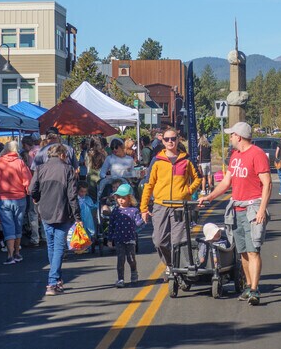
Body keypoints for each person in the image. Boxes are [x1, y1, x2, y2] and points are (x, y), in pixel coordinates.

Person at [199, 122, 271, 306]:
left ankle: (255, 290)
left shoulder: (257, 154)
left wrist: (262, 209)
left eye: (231, 135)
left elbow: (267, 183)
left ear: (239, 136)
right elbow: (226, 182)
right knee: (243, 252)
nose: (230, 137)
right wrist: (210, 197)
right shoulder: (235, 156)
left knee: (253, 250)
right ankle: (248, 286)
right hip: (236, 209)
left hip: (252, 208)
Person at [139, 127, 201, 277]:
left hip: (180, 206)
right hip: (161, 205)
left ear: (178, 139)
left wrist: (187, 191)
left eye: (173, 138)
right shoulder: (157, 160)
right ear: (162, 140)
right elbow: (149, 185)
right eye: (167, 139)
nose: (170, 142)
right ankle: (170, 264)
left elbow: (198, 178)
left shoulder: (186, 159)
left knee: (178, 241)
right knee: (159, 241)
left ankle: (178, 271)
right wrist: (143, 208)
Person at [29, 144, 81, 296]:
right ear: (63, 155)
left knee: (51, 247)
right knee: (58, 247)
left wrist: (37, 198)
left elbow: (32, 190)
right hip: (62, 211)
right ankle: (52, 282)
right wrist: (77, 217)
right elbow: (72, 196)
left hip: (45, 211)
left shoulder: (40, 169)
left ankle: (57, 280)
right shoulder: (68, 169)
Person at [0, 141, 33, 265]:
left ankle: (9, 255)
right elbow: (27, 181)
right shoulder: (20, 163)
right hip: (20, 198)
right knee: (18, 224)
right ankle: (17, 252)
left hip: (3, 198)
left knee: (8, 226)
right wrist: (27, 192)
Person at [108, 183, 144, 287]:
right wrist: (110, 239)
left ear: (130, 198)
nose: (120, 200)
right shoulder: (115, 211)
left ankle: (134, 272)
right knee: (120, 260)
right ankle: (120, 279)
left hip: (130, 239)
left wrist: (144, 218)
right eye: (118, 197)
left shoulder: (134, 210)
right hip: (119, 239)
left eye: (123, 198)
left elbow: (138, 223)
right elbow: (111, 226)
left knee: (131, 259)